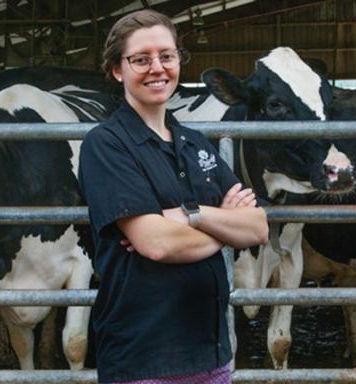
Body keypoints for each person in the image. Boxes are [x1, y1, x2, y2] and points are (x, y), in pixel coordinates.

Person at [78, 9, 269, 384]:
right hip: (143, 355)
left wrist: (189, 216)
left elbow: (258, 227)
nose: (157, 68)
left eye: (167, 56)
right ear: (118, 70)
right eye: (140, 59)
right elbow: (158, 244)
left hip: (211, 350)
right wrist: (224, 226)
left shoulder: (196, 143)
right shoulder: (106, 145)